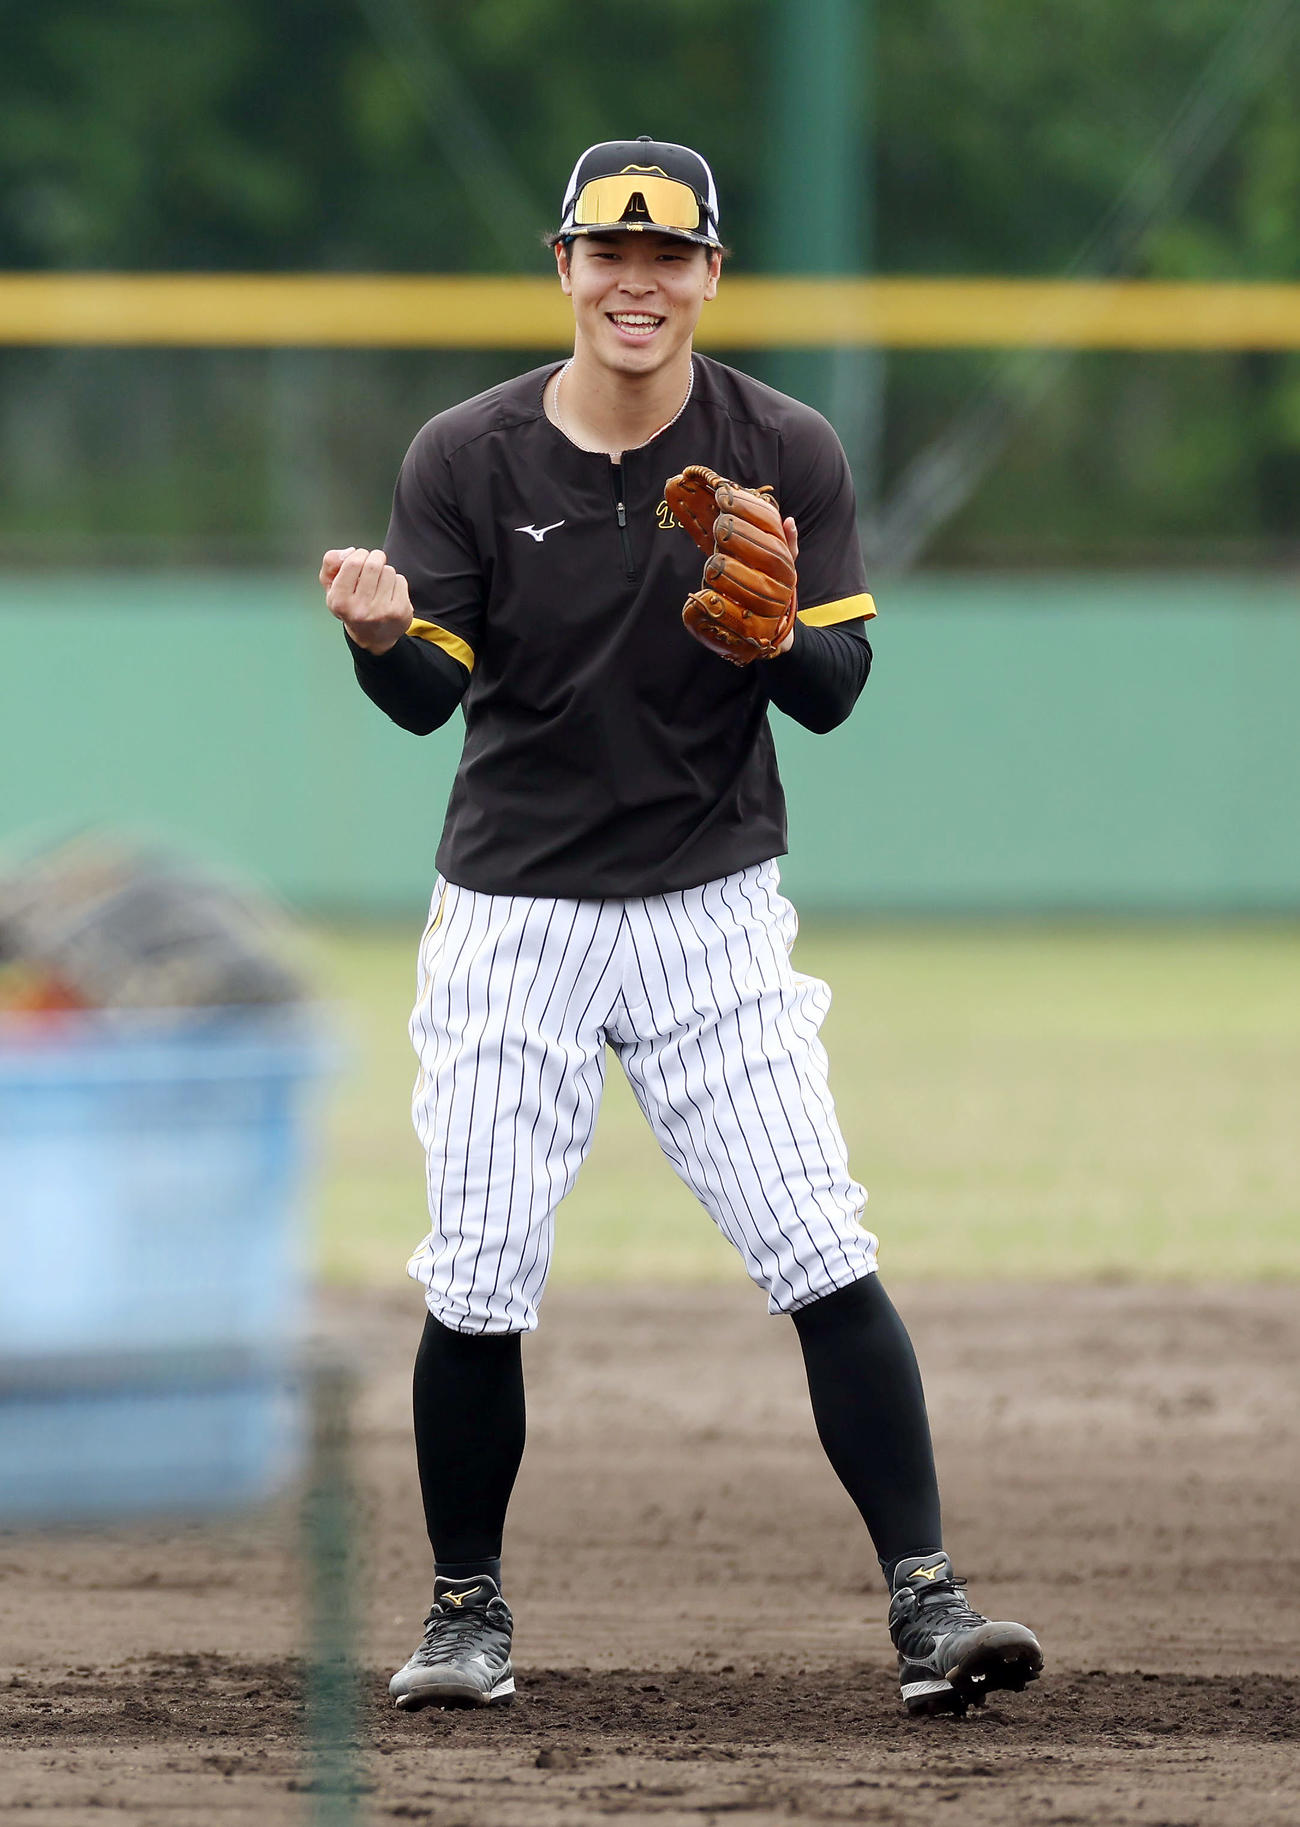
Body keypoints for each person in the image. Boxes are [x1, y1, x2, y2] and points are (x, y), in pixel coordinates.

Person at [319, 137, 1043, 1720]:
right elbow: (428, 700)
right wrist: (381, 638)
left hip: (712, 907)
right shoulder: (469, 453)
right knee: (481, 1273)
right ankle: (464, 1615)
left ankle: (930, 1604)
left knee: (820, 1244)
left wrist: (782, 637)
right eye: (608, 254)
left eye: (667, 258)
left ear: (712, 273)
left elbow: (838, 699)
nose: (635, 283)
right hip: (514, 911)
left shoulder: (783, 445)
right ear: (564, 269)